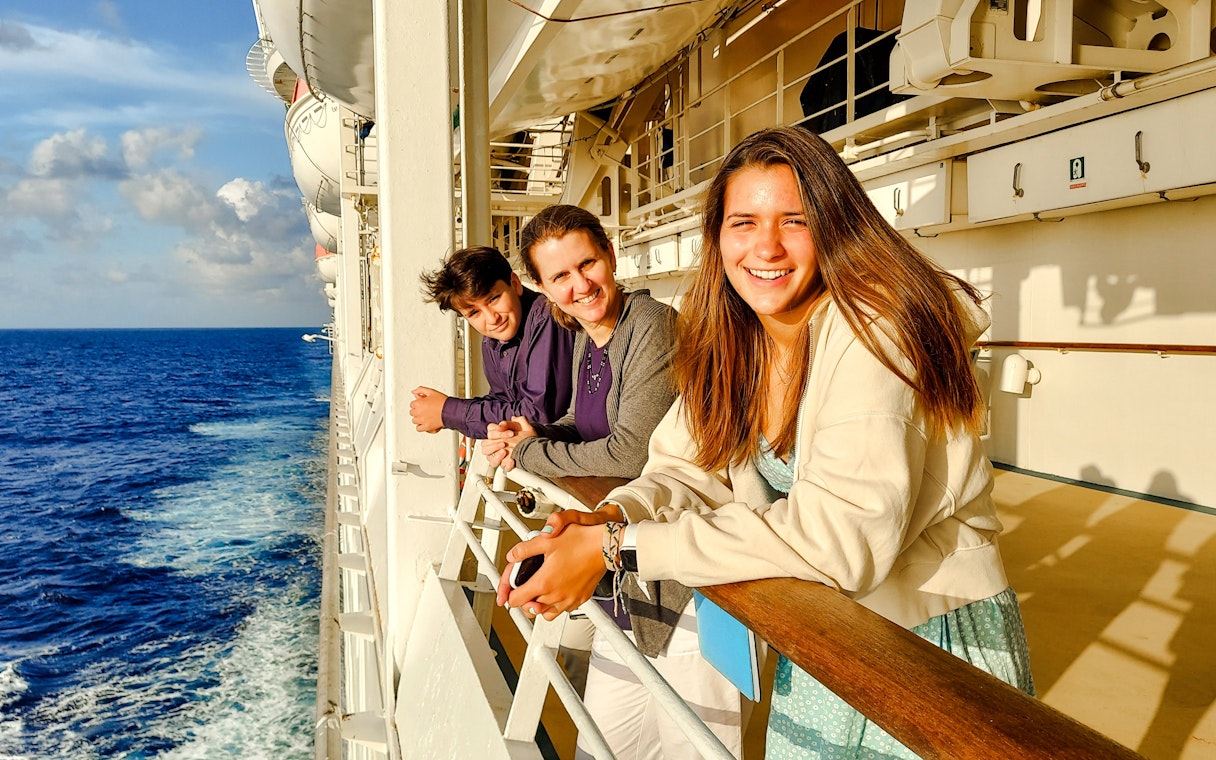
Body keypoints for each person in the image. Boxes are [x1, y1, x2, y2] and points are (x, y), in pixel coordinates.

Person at [497, 127, 1035, 759]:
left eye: (795, 221)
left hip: (926, 645)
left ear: (836, 227)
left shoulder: (877, 331)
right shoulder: (742, 336)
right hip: (827, 637)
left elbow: (841, 538)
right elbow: (686, 465)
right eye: (743, 222)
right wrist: (611, 515)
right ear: (717, 236)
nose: (766, 246)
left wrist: (616, 548)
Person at [484, 204, 743, 760]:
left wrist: (530, 451)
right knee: (605, 743)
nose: (580, 285)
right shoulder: (587, 335)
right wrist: (532, 434)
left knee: (691, 746)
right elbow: (584, 421)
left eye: (588, 264)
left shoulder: (650, 327)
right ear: (541, 287)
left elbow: (631, 451)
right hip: (623, 570)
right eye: (560, 277)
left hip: (686, 582)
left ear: (610, 255)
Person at [411, 245, 574, 439]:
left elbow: (540, 414)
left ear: (515, 283)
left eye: (494, 299)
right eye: (474, 313)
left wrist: (448, 412)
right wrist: (446, 414)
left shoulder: (546, 319)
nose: (492, 318)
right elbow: (503, 401)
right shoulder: (493, 341)